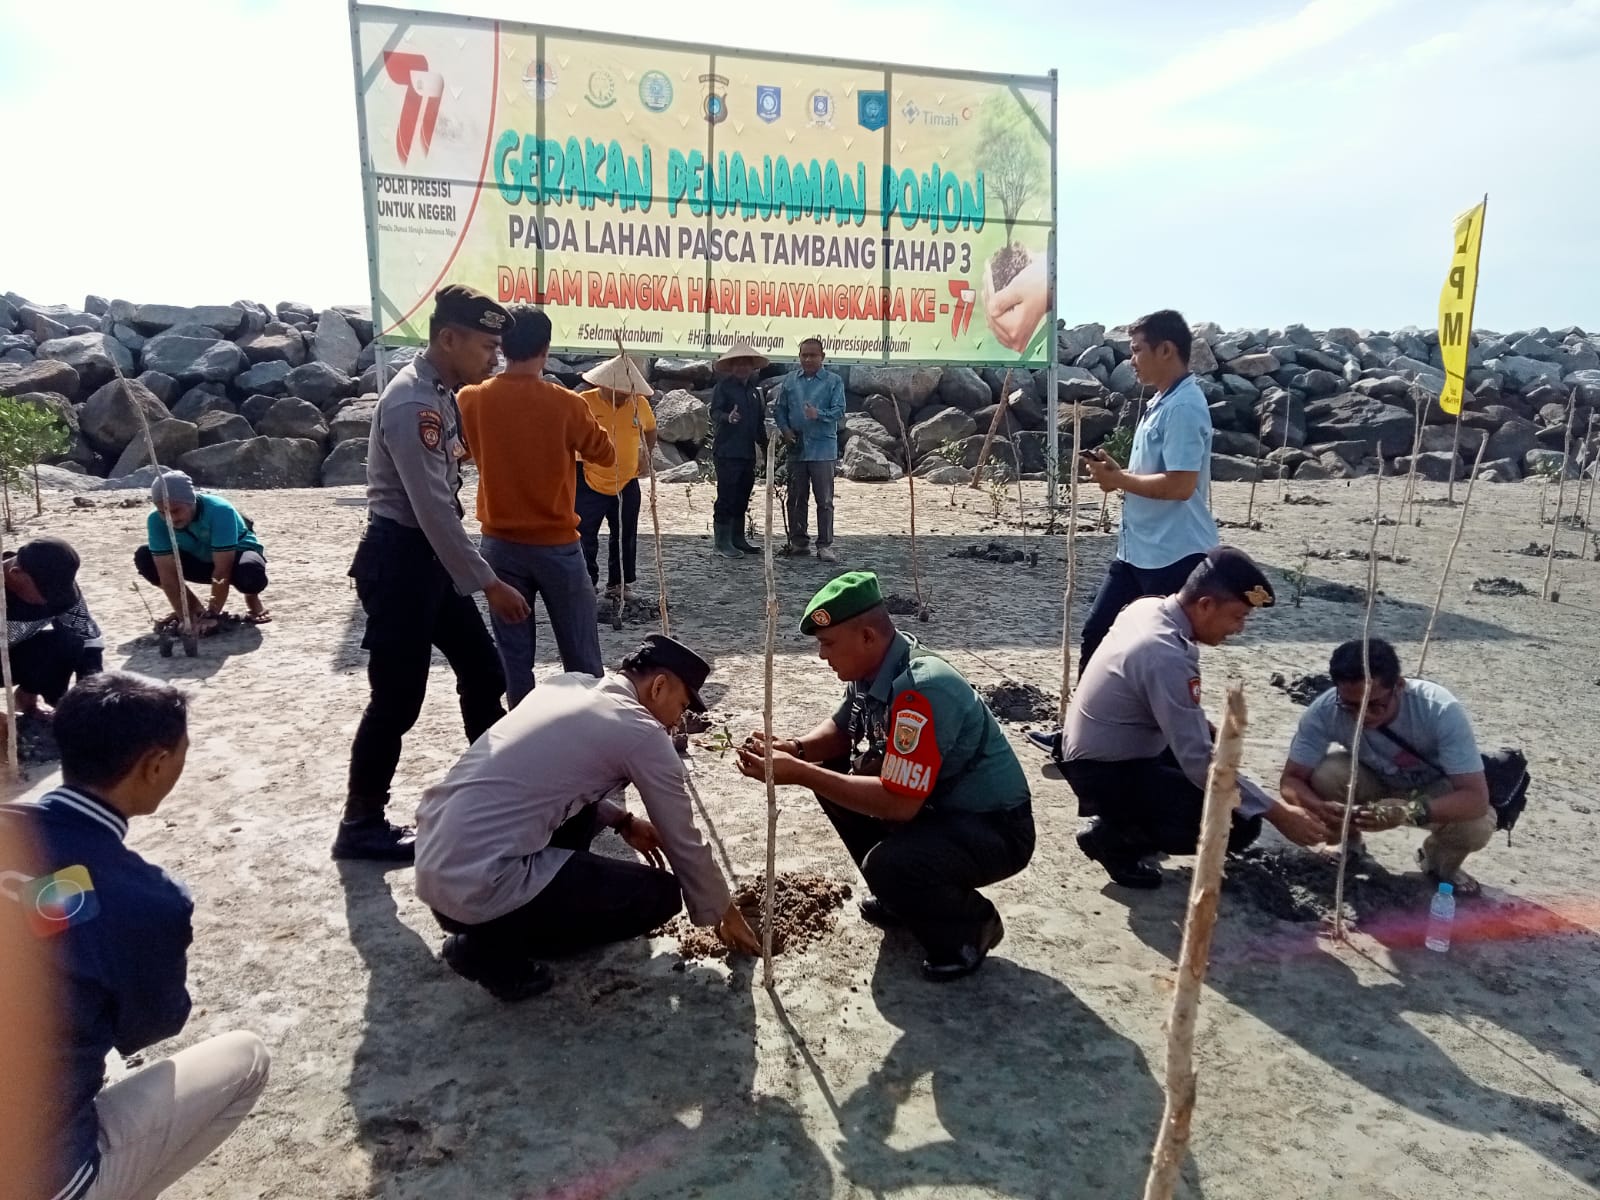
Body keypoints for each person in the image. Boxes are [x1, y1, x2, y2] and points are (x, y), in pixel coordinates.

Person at [0, 672, 270, 1200]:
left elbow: (50, 901)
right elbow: (149, 1025)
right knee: (246, 1058)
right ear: (154, 765)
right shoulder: (146, 899)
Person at [415, 635, 759, 1001]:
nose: (678, 722)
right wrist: (724, 910)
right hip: (480, 890)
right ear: (659, 687)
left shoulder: (567, 685)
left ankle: (498, 928)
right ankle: (492, 950)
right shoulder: (641, 732)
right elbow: (683, 841)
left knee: (581, 813)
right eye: (681, 705)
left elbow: (543, 779)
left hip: (436, 868)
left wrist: (623, 821)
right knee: (660, 895)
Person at [735, 572, 1034, 981]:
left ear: (868, 638)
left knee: (890, 865)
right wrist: (797, 749)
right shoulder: (875, 668)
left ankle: (971, 926)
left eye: (828, 644)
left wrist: (801, 774)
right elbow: (844, 729)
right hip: (942, 811)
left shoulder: (921, 687)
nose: (822, 656)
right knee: (832, 776)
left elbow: (900, 803)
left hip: (996, 828)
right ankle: (904, 898)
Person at [340, 284, 531, 863]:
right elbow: (429, 511)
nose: (494, 358)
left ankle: (499, 783)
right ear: (447, 338)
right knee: (397, 700)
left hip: (431, 562)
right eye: (486, 345)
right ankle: (361, 822)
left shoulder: (442, 393)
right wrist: (489, 582)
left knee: (482, 668)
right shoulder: (412, 404)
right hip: (402, 561)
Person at [1059, 547, 1320, 888]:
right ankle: (1115, 838)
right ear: (1206, 605)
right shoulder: (1164, 652)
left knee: (1215, 757)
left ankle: (1124, 821)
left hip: (1097, 749)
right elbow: (1199, 764)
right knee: (1240, 821)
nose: (1240, 628)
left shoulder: (1148, 606)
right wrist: (1277, 813)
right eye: (1238, 616)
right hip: (1103, 769)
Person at [1028, 309, 1219, 760]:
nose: (1131, 361)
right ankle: (1079, 734)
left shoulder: (1186, 406)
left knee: (1164, 660)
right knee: (1098, 633)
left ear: (1167, 350)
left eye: (1137, 351)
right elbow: (1158, 477)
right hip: (1137, 552)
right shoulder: (1161, 400)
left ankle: (1173, 754)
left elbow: (1180, 484)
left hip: (1175, 556)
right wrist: (1121, 474)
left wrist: (1119, 482)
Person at [458, 306, 615, 706]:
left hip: (499, 545)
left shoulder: (471, 399)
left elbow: (457, 452)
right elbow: (605, 455)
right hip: (557, 545)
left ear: (501, 346)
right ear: (546, 349)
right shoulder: (566, 404)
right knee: (581, 653)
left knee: (514, 656)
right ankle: (585, 732)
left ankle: (523, 733)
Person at [1278, 638, 1495, 896]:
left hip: (1430, 790)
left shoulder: (1440, 710)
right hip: (1373, 780)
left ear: (1399, 686)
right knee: (1325, 774)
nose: (1362, 715)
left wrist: (1407, 812)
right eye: (1351, 705)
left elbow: (1475, 799)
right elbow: (1291, 780)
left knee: (1476, 826)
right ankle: (1347, 842)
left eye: (1374, 704)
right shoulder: (1324, 711)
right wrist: (1319, 807)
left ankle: (1437, 862)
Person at [134, 470, 271, 632]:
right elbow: (167, 576)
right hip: (198, 561)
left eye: (176, 510)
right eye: (163, 512)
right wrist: (184, 613)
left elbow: (222, 570)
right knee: (145, 557)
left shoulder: (219, 510)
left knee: (250, 573)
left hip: (234, 560)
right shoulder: (155, 520)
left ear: (191, 501)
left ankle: (252, 597)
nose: (169, 518)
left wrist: (212, 615)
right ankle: (194, 609)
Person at [573, 353, 656, 599]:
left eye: (626, 391)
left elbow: (650, 430)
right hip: (587, 476)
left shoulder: (639, 403)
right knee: (584, 533)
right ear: (603, 385)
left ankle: (619, 585)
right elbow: (566, 436)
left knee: (625, 533)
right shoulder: (582, 402)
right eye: (617, 390)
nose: (622, 394)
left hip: (627, 478)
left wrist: (645, 457)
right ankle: (587, 582)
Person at [3, 537, 103, 717]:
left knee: (69, 642)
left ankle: (29, 703)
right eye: (46, 591)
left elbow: (87, 638)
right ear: (16, 573)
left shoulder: (58, 581)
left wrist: (91, 701)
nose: (54, 600)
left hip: (12, 655)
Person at [774, 337, 845, 562]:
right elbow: (779, 409)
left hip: (823, 448)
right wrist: (785, 430)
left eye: (813, 355)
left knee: (824, 499)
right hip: (797, 447)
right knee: (796, 497)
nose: (808, 359)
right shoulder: (790, 381)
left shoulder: (834, 381)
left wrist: (819, 415)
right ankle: (799, 542)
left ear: (822, 357)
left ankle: (825, 545)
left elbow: (840, 410)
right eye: (804, 355)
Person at [709, 340, 771, 558]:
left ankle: (738, 537)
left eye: (746, 364)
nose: (742, 367)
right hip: (726, 452)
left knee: (743, 495)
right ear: (731, 367)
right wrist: (729, 417)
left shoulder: (755, 392)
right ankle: (721, 542)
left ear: (752, 367)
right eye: (738, 364)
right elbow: (714, 413)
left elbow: (759, 423)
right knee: (726, 495)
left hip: (747, 453)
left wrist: (766, 446)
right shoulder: (723, 388)